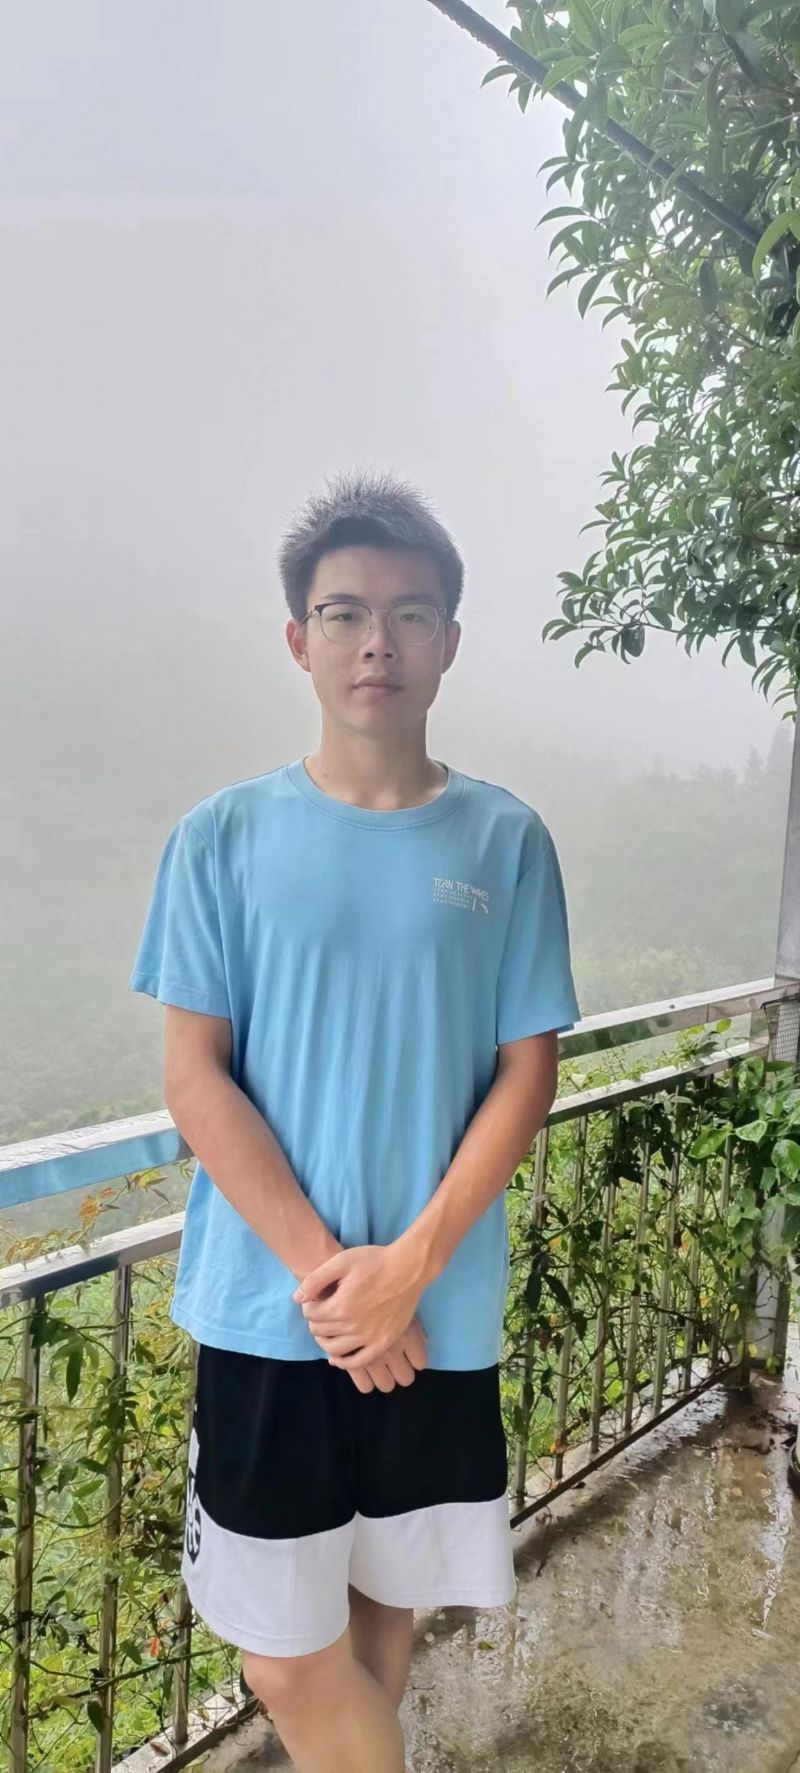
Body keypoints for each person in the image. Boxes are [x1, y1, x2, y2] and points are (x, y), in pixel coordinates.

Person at [129, 470, 581, 1773]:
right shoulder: (220, 837)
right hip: (275, 1313)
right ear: (299, 639)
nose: (376, 640)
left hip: (437, 1310)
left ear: (449, 640)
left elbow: (527, 1073)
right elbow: (196, 1077)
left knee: (386, 1608)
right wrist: (342, 1284)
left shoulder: (505, 842)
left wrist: (409, 1271)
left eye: (409, 612)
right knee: (282, 1653)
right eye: (344, 613)